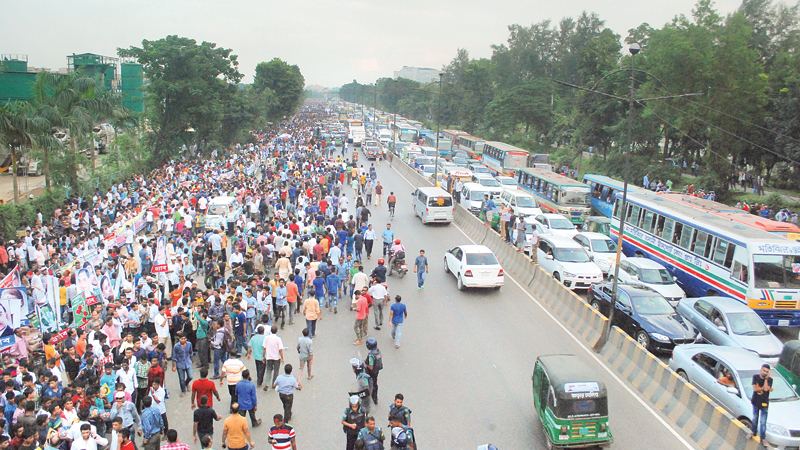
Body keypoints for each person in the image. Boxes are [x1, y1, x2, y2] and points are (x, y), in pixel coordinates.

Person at [750, 363, 774, 443]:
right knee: (754, 418)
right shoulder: (755, 377)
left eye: (767, 372)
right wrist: (762, 388)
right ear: (761, 370)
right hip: (756, 401)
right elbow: (755, 389)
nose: (765, 373)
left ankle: (763, 438)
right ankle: (753, 431)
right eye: (764, 371)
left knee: (763, 422)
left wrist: (766, 380)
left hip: (764, 403)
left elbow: (766, 389)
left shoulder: (770, 380)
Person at [172, 332, 194, 397]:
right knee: (181, 378)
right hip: (180, 363)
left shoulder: (189, 344)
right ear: (179, 339)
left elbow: (191, 353)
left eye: (184, 338)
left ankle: (186, 383)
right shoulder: (176, 346)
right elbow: (174, 357)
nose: (183, 340)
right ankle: (183, 390)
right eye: (182, 339)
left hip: (188, 362)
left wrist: (191, 360)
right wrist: (174, 366)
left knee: (190, 376)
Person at [263, 326, 284, 391]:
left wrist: (263, 356)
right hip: (276, 357)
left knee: (268, 370)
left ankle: (267, 384)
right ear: (277, 331)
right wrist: (282, 358)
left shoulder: (266, 338)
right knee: (276, 371)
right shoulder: (278, 339)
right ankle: (274, 384)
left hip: (269, 357)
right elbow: (280, 349)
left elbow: (264, 348)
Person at [364, 338, 383, 406]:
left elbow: (371, 367)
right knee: (375, 383)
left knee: (371, 384)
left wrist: (366, 365)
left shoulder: (371, 355)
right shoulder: (378, 351)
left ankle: (371, 398)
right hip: (376, 370)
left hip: (371, 372)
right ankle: (375, 398)